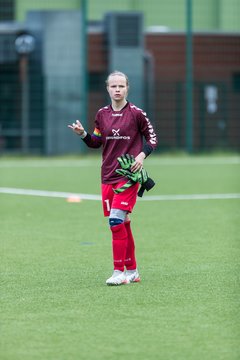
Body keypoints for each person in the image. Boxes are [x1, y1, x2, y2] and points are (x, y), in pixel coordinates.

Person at [68, 70, 158, 285]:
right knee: (123, 223)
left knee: (115, 221)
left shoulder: (137, 114)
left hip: (128, 177)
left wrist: (141, 155)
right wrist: (82, 134)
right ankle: (133, 271)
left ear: (127, 88)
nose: (117, 90)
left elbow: (152, 139)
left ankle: (119, 272)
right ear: (107, 89)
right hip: (107, 175)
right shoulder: (101, 114)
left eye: (121, 86)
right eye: (113, 86)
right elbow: (96, 141)